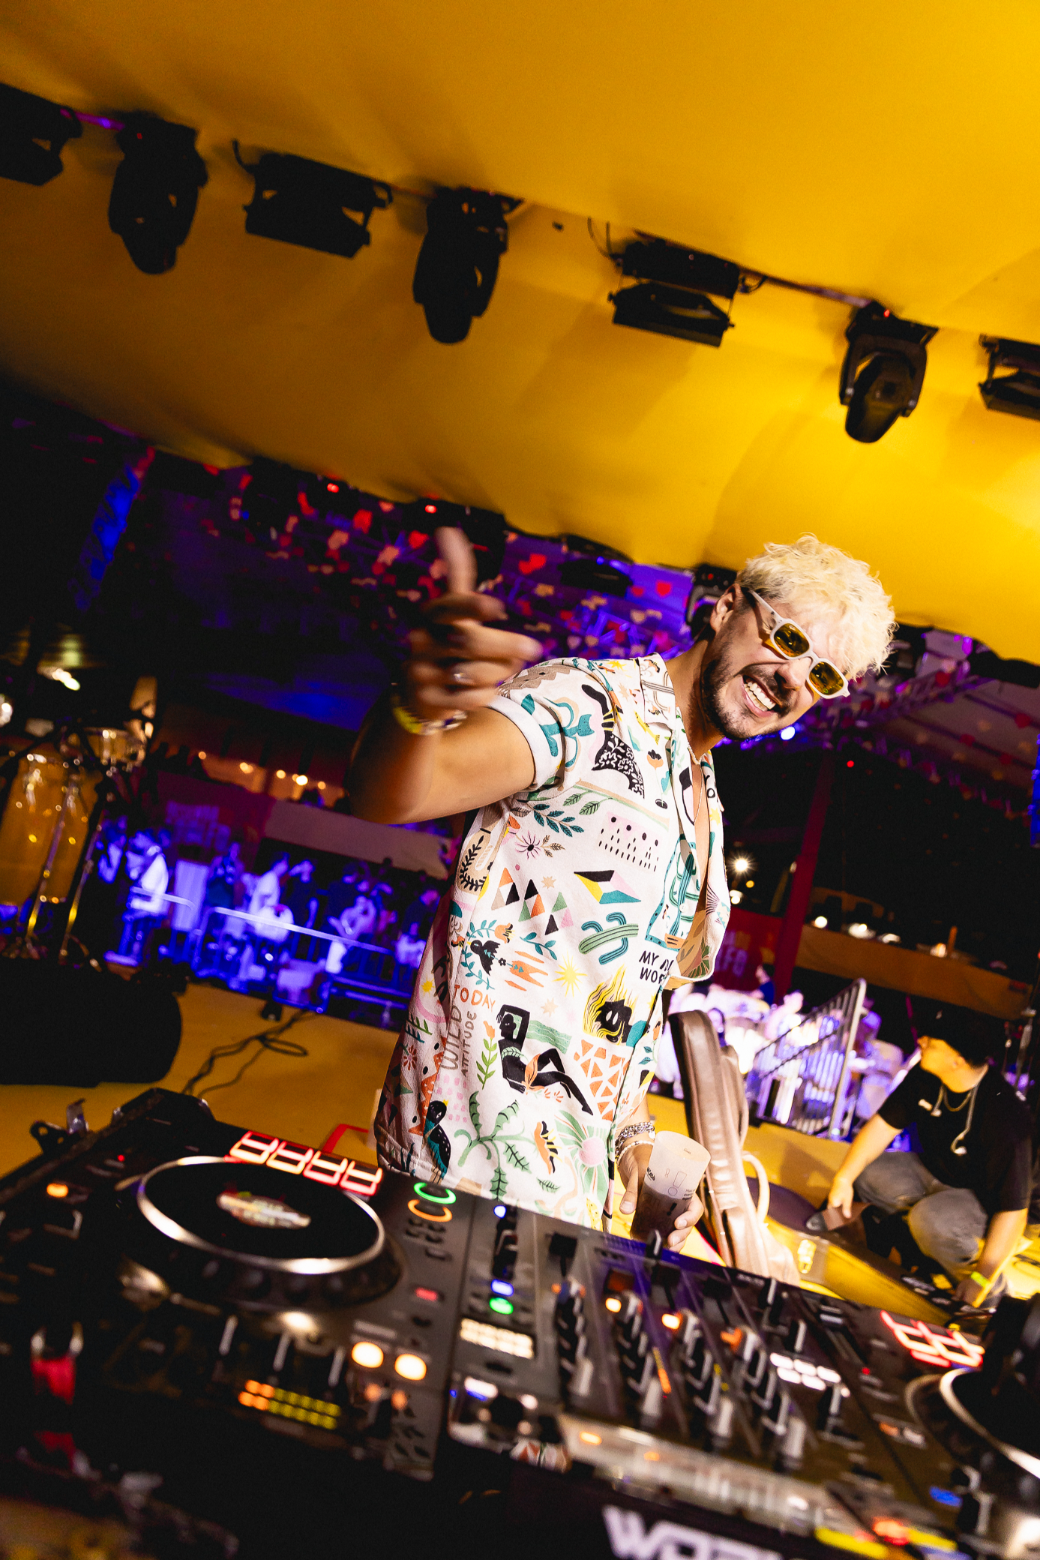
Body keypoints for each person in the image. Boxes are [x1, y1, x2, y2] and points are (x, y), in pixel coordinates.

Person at [350, 529, 893, 1236]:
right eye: (788, 639)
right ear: (726, 607)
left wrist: (633, 1140)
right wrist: (413, 707)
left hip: (572, 1191)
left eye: (822, 676)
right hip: (462, 1166)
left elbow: (628, 1003)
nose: (794, 678)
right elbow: (394, 795)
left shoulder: (704, 794)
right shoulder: (585, 703)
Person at [826, 1007, 1032, 1308]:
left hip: (988, 1199)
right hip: (939, 1171)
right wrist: (844, 1179)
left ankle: (994, 1296)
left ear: (957, 1060)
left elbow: (1013, 1211)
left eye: (932, 1042)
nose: (921, 1042)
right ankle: (912, 1253)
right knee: (869, 1175)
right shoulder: (925, 1076)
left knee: (931, 1220)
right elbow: (882, 1126)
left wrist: (983, 1279)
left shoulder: (1005, 1117)